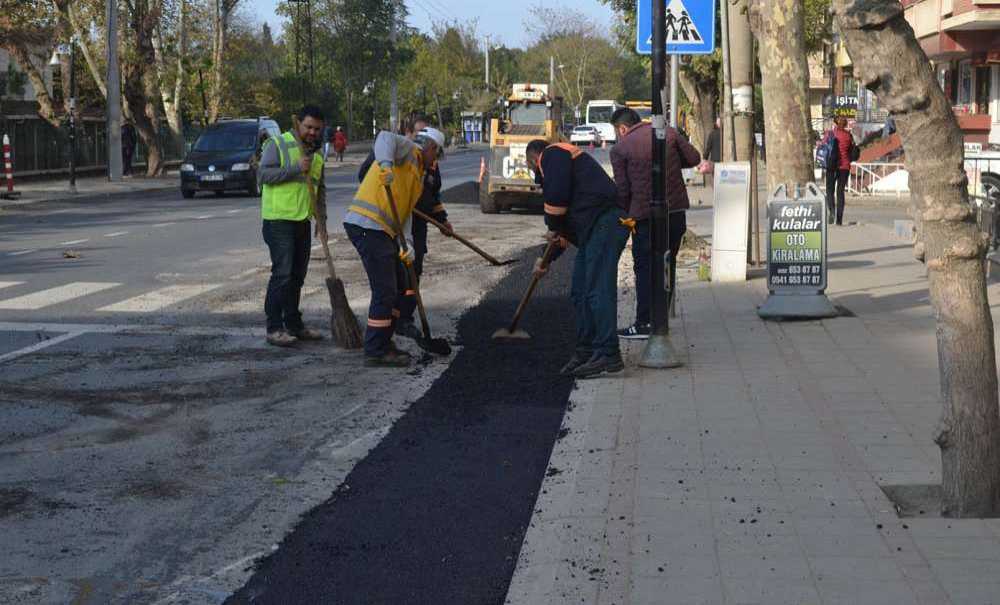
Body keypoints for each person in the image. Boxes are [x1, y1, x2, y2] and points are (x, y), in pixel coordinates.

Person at [525, 140, 630, 379]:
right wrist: (545, 259)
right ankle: (587, 349)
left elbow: (557, 200)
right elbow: (561, 236)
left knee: (597, 289)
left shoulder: (553, 154)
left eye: (534, 170)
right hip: (594, 229)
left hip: (607, 222)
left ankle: (609, 354)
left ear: (533, 160)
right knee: (580, 291)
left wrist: (551, 225)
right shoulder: (564, 173)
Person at [345, 126, 447, 367]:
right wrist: (386, 165)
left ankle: (385, 339)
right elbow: (384, 138)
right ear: (431, 147)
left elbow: (406, 214)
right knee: (385, 290)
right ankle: (376, 349)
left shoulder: (419, 172)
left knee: (402, 285)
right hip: (367, 225)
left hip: (385, 231)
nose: (436, 160)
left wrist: (408, 243)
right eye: (438, 154)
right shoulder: (409, 149)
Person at [610, 108, 706, 340]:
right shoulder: (669, 134)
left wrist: (621, 216)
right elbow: (694, 158)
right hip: (674, 213)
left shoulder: (620, 148)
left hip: (645, 217)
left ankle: (644, 323)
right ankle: (661, 322)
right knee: (667, 263)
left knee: (644, 267)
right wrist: (670, 161)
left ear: (622, 128)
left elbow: (623, 191)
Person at [258, 105, 328, 347]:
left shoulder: (317, 155)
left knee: (297, 276)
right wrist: (295, 168)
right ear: (298, 123)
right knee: (283, 274)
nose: (312, 132)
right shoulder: (278, 144)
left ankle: (294, 324)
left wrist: (322, 220)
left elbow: (320, 190)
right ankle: (274, 327)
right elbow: (263, 175)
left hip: (302, 221)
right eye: (308, 127)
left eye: (317, 129)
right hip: (279, 220)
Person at [821, 116, 855, 226]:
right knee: (840, 192)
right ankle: (839, 219)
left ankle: (831, 212)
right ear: (845, 125)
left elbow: (823, 147)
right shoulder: (848, 136)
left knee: (829, 191)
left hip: (831, 166)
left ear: (835, 124)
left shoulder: (829, 134)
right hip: (844, 167)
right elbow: (852, 151)